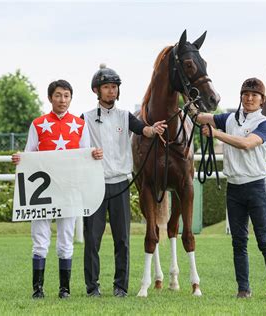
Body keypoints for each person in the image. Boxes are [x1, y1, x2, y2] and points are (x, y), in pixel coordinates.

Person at [11, 79, 103, 299]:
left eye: (66, 95)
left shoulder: (80, 125)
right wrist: (19, 159)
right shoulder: (38, 123)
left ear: (71, 98)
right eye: (58, 95)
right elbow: (29, 154)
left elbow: (85, 156)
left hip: (69, 191)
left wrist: (94, 155)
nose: (62, 100)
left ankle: (65, 289)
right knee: (40, 239)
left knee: (66, 239)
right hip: (42, 193)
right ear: (50, 97)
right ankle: (38, 289)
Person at [193, 77, 266, 299]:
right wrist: (191, 103)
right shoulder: (230, 118)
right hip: (234, 188)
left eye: (254, 95)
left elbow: (246, 144)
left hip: (255, 187)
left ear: (262, 100)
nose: (249, 98)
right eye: (246, 94)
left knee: (264, 240)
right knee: (238, 241)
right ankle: (243, 289)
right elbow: (201, 118)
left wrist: (216, 134)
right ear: (241, 97)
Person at [82, 65, 167, 298]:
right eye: (106, 87)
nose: (111, 91)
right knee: (92, 239)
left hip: (120, 183)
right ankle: (93, 287)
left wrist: (153, 129)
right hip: (94, 184)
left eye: (114, 87)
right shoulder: (85, 119)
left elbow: (143, 130)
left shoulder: (125, 116)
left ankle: (121, 287)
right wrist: (89, 153)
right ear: (96, 91)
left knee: (122, 238)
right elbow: (78, 148)